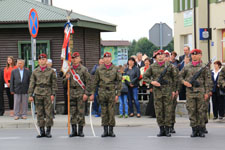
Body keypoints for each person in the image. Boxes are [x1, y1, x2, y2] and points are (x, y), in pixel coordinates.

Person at [143, 50, 178, 137]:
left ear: (164, 56)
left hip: (168, 91)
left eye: (161, 55)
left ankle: (167, 129)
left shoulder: (169, 66)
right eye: (158, 55)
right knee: (159, 111)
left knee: (168, 111)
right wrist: (152, 82)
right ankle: (161, 129)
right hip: (157, 91)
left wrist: (174, 90)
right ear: (156, 57)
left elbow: (175, 78)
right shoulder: (152, 66)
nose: (160, 56)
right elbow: (145, 76)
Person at [179, 49, 212, 138]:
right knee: (192, 111)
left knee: (201, 111)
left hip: (201, 92)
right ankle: (194, 129)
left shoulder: (204, 67)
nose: (194, 56)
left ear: (200, 55)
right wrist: (184, 82)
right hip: (190, 93)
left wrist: (207, 93)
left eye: (196, 54)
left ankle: (201, 129)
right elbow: (179, 76)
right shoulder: (187, 67)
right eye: (193, 55)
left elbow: (208, 81)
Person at [90, 52, 122, 138]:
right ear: (103, 59)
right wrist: (92, 93)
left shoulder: (115, 69)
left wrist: (117, 94)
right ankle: (105, 130)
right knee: (103, 112)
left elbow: (119, 82)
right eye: (105, 57)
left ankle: (111, 130)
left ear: (111, 58)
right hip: (102, 92)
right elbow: (95, 82)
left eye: (109, 57)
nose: (107, 59)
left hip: (111, 92)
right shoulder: (99, 69)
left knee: (111, 112)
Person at [28, 53, 57, 138]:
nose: (42, 61)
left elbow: (54, 83)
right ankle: (41, 131)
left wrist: (53, 94)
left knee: (48, 113)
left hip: (48, 93)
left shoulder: (51, 71)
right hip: (38, 93)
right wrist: (30, 94)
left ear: (46, 60)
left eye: (43, 59)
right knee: (39, 112)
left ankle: (48, 131)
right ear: (38, 61)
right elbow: (32, 83)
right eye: (40, 59)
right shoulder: (35, 71)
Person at [64, 52, 92, 137]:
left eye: (76, 58)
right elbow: (64, 84)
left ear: (79, 59)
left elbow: (88, 82)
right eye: (73, 58)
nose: (75, 59)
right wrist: (66, 79)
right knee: (73, 112)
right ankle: (74, 130)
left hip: (81, 93)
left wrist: (86, 93)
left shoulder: (84, 69)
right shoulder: (68, 70)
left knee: (80, 112)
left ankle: (80, 130)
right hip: (72, 93)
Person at [165, 51, 179, 133]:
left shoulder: (174, 67)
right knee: (165, 110)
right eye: (165, 56)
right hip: (163, 92)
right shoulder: (160, 68)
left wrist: (176, 90)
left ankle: (172, 126)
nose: (166, 58)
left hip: (172, 91)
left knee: (172, 110)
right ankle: (165, 126)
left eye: (168, 56)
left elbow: (177, 79)